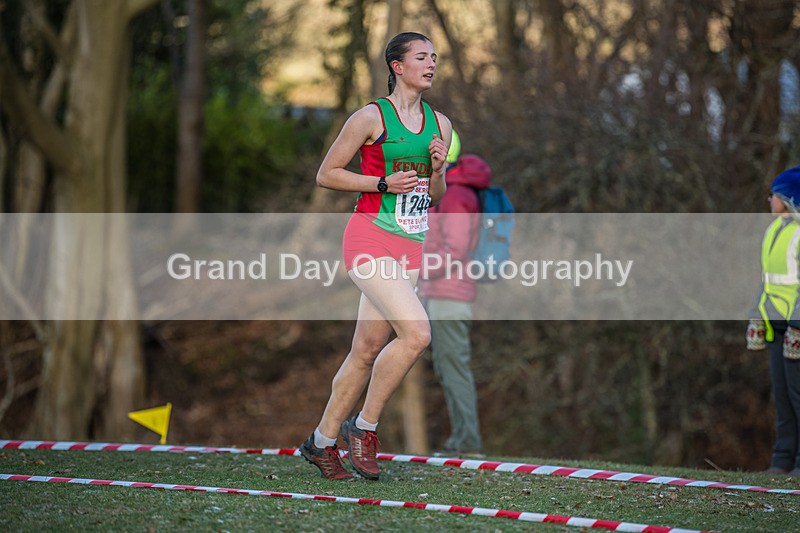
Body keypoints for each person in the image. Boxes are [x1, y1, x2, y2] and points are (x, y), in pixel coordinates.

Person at [298, 31, 452, 480]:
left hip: (411, 246)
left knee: (365, 350)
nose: (431, 64)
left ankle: (321, 442)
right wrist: (381, 184)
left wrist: (438, 170)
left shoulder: (440, 124)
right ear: (397, 66)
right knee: (418, 333)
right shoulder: (370, 117)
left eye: (435, 58)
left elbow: (436, 195)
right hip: (368, 239)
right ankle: (363, 429)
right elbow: (327, 174)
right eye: (421, 57)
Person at [418, 135, 490, 456]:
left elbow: (456, 248)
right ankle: (460, 441)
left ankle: (468, 444)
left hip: (451, 294)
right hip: (441, 292)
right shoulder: (451, 191)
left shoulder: (457, 194)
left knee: (454, 369)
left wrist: (419, 268)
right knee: (447, 369)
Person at [746, 165, 800, 478]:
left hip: (795, 328)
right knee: (781, 395)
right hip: (775, 326)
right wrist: (756, 315)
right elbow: (767, 280)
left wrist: (797, 327)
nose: (769, 200)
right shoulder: (774, 230)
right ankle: (782, 460)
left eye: (775, 194)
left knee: (797, 395)